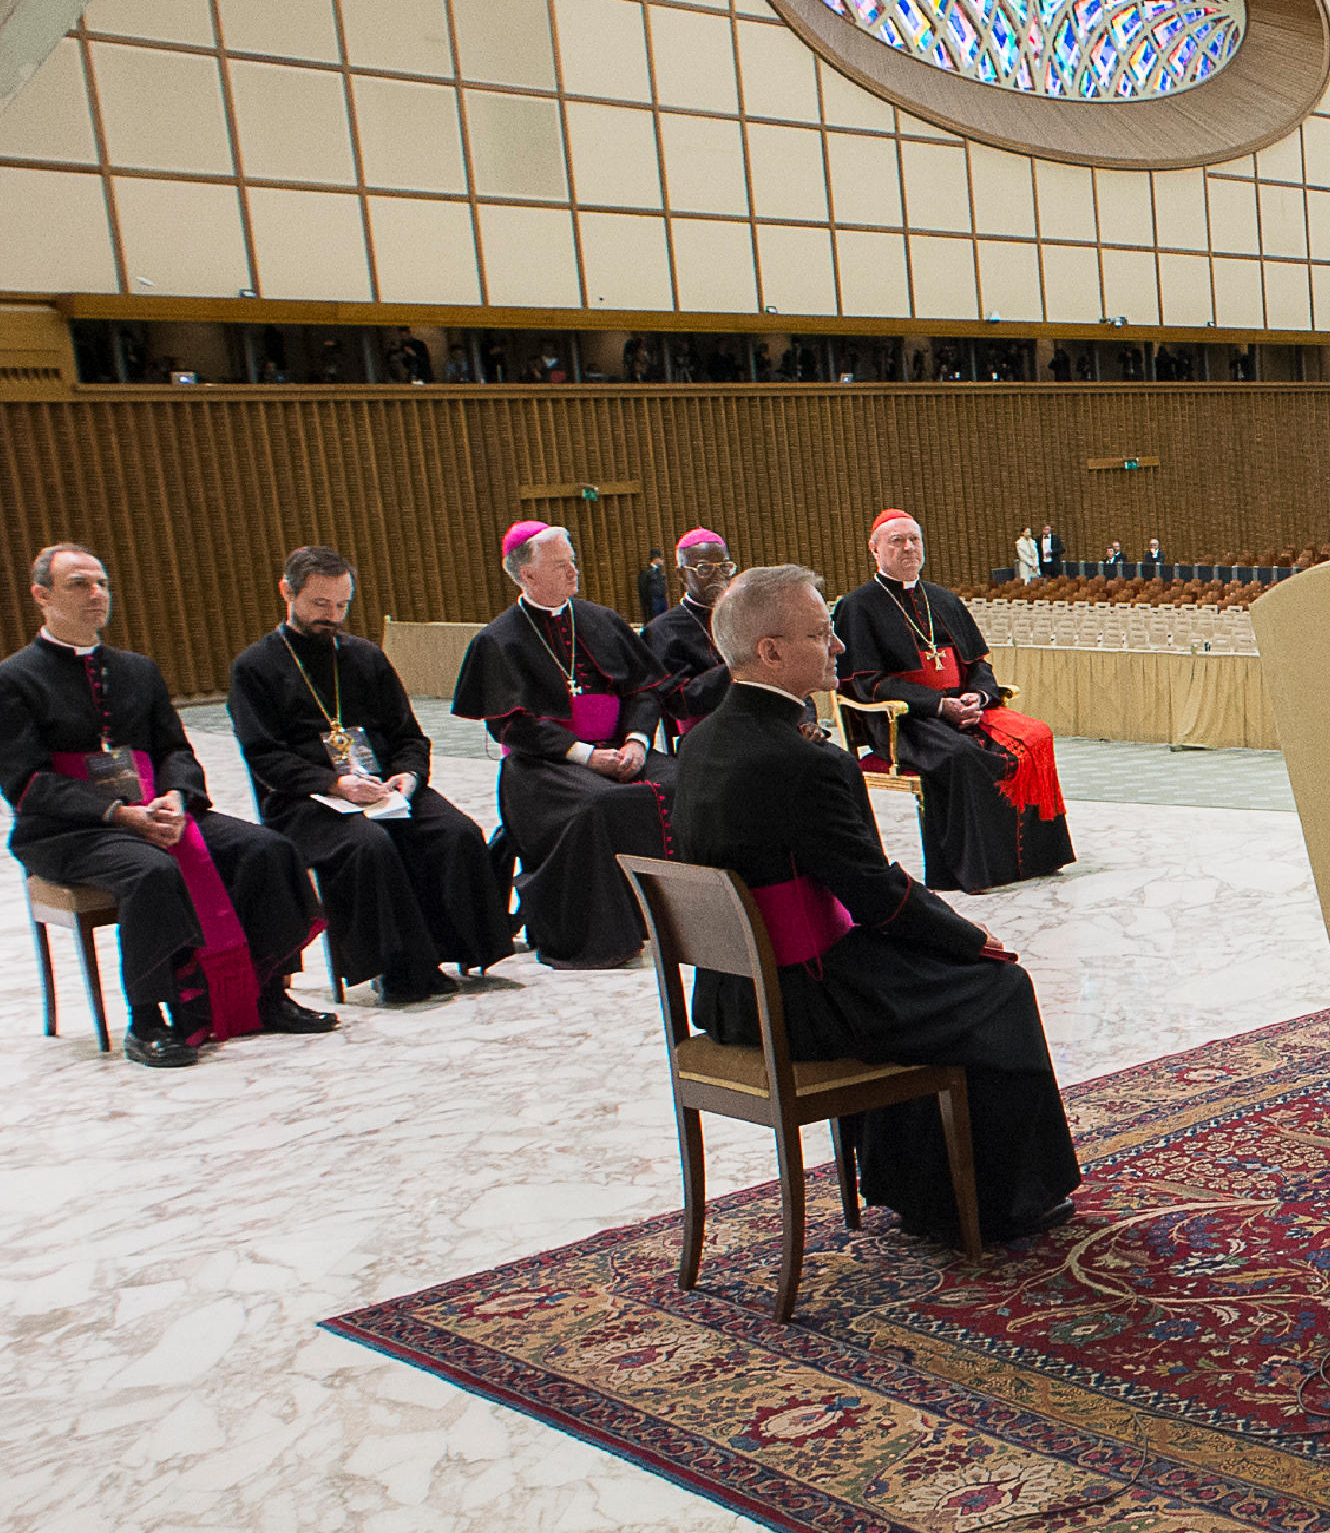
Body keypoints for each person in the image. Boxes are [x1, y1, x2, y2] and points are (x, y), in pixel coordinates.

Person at [670, 566, 1081, 1244]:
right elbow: (875, 894)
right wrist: (966, 936)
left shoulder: (700, 741)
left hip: (728, 996)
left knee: (929, 977)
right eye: (819, 634)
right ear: (770, 651)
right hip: (803, 1001)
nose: (837, 646)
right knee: (997, 987)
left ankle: (912, 1186)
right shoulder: (802, 761)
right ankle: (992, 1206)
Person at [0, 541, 331, 1067]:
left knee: (266, 849)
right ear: (41, 596)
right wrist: (120, 815)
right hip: (69, 831)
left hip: (158, 810)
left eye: (102, 583)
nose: (97, 594)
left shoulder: (137, 670)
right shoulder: (8, 681)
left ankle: (266, 993)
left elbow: (174, 749)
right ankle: (147, 1021)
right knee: (150, 872)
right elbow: (26, 783)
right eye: (79, 584)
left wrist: (177, 797)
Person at [225, 546, 513, 1006]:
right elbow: (265, 755)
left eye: (342, 605)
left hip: (383, 788)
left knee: (454, 832)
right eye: (320, 604)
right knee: (369, 845)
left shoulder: (365, 657)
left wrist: (407, 776)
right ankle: (398, 968)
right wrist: (334, 784)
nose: (332, 616)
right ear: (287, 592)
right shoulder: (255, 667)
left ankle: (453, 949)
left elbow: (409, 735)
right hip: (304, 799)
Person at [453, 521, 675, 967]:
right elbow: (511, 726)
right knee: (601, 803)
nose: (574, 571)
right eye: (560, 565)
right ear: (527, 574)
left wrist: (636, 741)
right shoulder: (497, 640)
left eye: (572, 561)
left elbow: (644, 691)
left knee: (682, 781)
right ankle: (607, 936)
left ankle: (677, 919)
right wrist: (586, 756)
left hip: (621, 749)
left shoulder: (602, 620)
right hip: (543, 766)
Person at [835, 511, 1077, 888]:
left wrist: (978, 696)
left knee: (1035, 737)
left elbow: (977, 663)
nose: (908, 548)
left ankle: (1034, 859)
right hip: (906, 720)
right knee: (962, 755)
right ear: (875, 549)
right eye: (897, 541)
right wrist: (937, 705)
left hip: (963, 707)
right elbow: (868, 683)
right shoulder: (857, 606)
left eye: (914, 540)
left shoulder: (944, 599)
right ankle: (978, 868)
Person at [646, 529, 738, 727]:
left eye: (724, 567)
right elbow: (678, 701)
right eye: (704, 569)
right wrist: (738, 668)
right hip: (707, 733)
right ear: (682, 574)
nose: (718, 577)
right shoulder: (662, 630)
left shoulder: (748, 615)